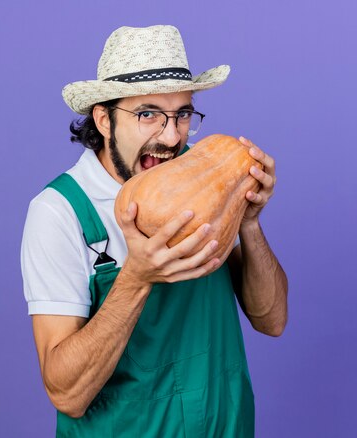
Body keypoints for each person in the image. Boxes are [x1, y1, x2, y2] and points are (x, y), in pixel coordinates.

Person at [21, 25, 288, 437]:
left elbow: (272, 320)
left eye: (182, 114)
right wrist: (136, 277)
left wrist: (248, 221)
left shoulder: (204, 186)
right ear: (104, 119)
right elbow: (67, 393)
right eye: (148, 114)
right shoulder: (59, 212)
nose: (171, 136)